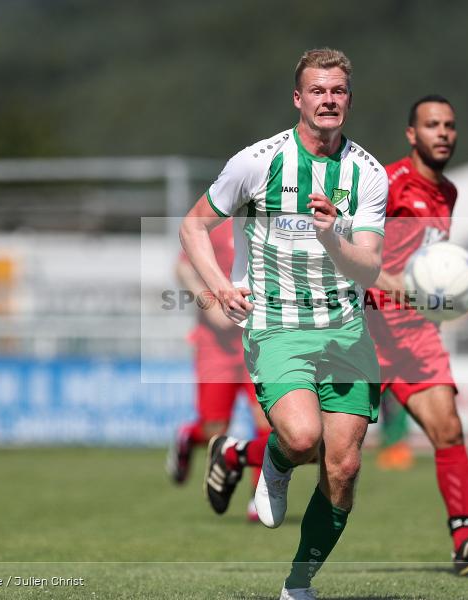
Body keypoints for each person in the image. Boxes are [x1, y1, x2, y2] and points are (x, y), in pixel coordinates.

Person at [178, 48, 387, 600]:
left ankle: (299, 584)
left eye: (337, 90)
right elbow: (194, 228)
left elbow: (368, 265)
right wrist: (219, 288)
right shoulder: (257, 161)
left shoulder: (367, 173)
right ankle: (272, 461)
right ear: (299, 99)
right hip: (277, 325)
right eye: (317, 90)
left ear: (348, 98)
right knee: (300, 437)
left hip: (346, 330)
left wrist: (329, 237)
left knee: (342, 470)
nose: (328, 99)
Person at [363, 95, 468, 575]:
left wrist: (454, 295)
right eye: (432, 125)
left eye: (449, 124)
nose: (443, 132)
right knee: (315, 448)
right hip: (365, 328)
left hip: (416, 336)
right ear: (412, 135)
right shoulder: (384, 183)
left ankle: (464, 542)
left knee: (448, 429)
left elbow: (430, 267)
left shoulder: (448, 193)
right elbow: (343, 245)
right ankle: (240, 454)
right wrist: (385, 284)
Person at [166, 218, 271, 521]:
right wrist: (211, 304)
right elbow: (182, 268)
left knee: (269, 420)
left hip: (261, 340)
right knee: (215, 429)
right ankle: (189, 436)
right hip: (217, 344)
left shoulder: (278, 223)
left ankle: (259, 498)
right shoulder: (217, 220)